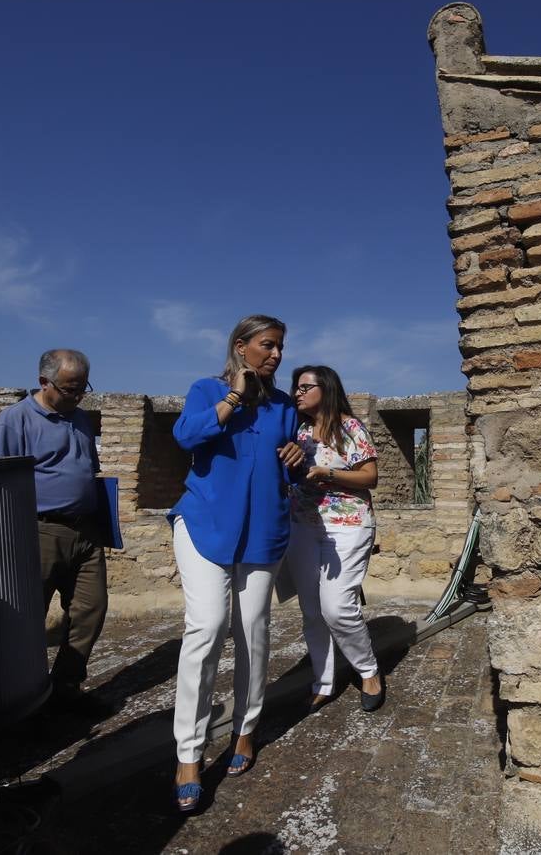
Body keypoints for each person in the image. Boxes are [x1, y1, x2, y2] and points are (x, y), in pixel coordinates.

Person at [169, 315, 304, 813]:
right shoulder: (206, 390)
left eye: (281, 347)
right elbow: (186, 437)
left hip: (263, 529)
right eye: (267, 346)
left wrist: (297, 456)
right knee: (206, 628)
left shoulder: (285, 406)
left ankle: (245, 730)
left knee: (254, 629)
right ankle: (188, 753)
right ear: (241, 347)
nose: (276, 355)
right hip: (205, 524)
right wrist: (233, 400)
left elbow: (293, 470)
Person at [0, 349, 110, 718]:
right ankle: (23, 699)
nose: (77, 395)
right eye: (70, 389)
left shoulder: (82, 418)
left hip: (86, 531)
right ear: (44, 382)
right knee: (28, 618)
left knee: (91, 609)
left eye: (82, 388)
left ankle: (65, 687)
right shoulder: (14, 421)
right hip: (39, 530)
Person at [284, 365, 384, 715]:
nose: (297, 392)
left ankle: (368, 671)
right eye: (295, 387)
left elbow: (370, 476)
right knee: (311, 609)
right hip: (303, 525)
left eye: (305, 386)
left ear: (324, 389)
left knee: (337, 608)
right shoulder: (296, 429)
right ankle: (322, 682)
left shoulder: (349, 427)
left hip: (348, 524)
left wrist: (328, 472)